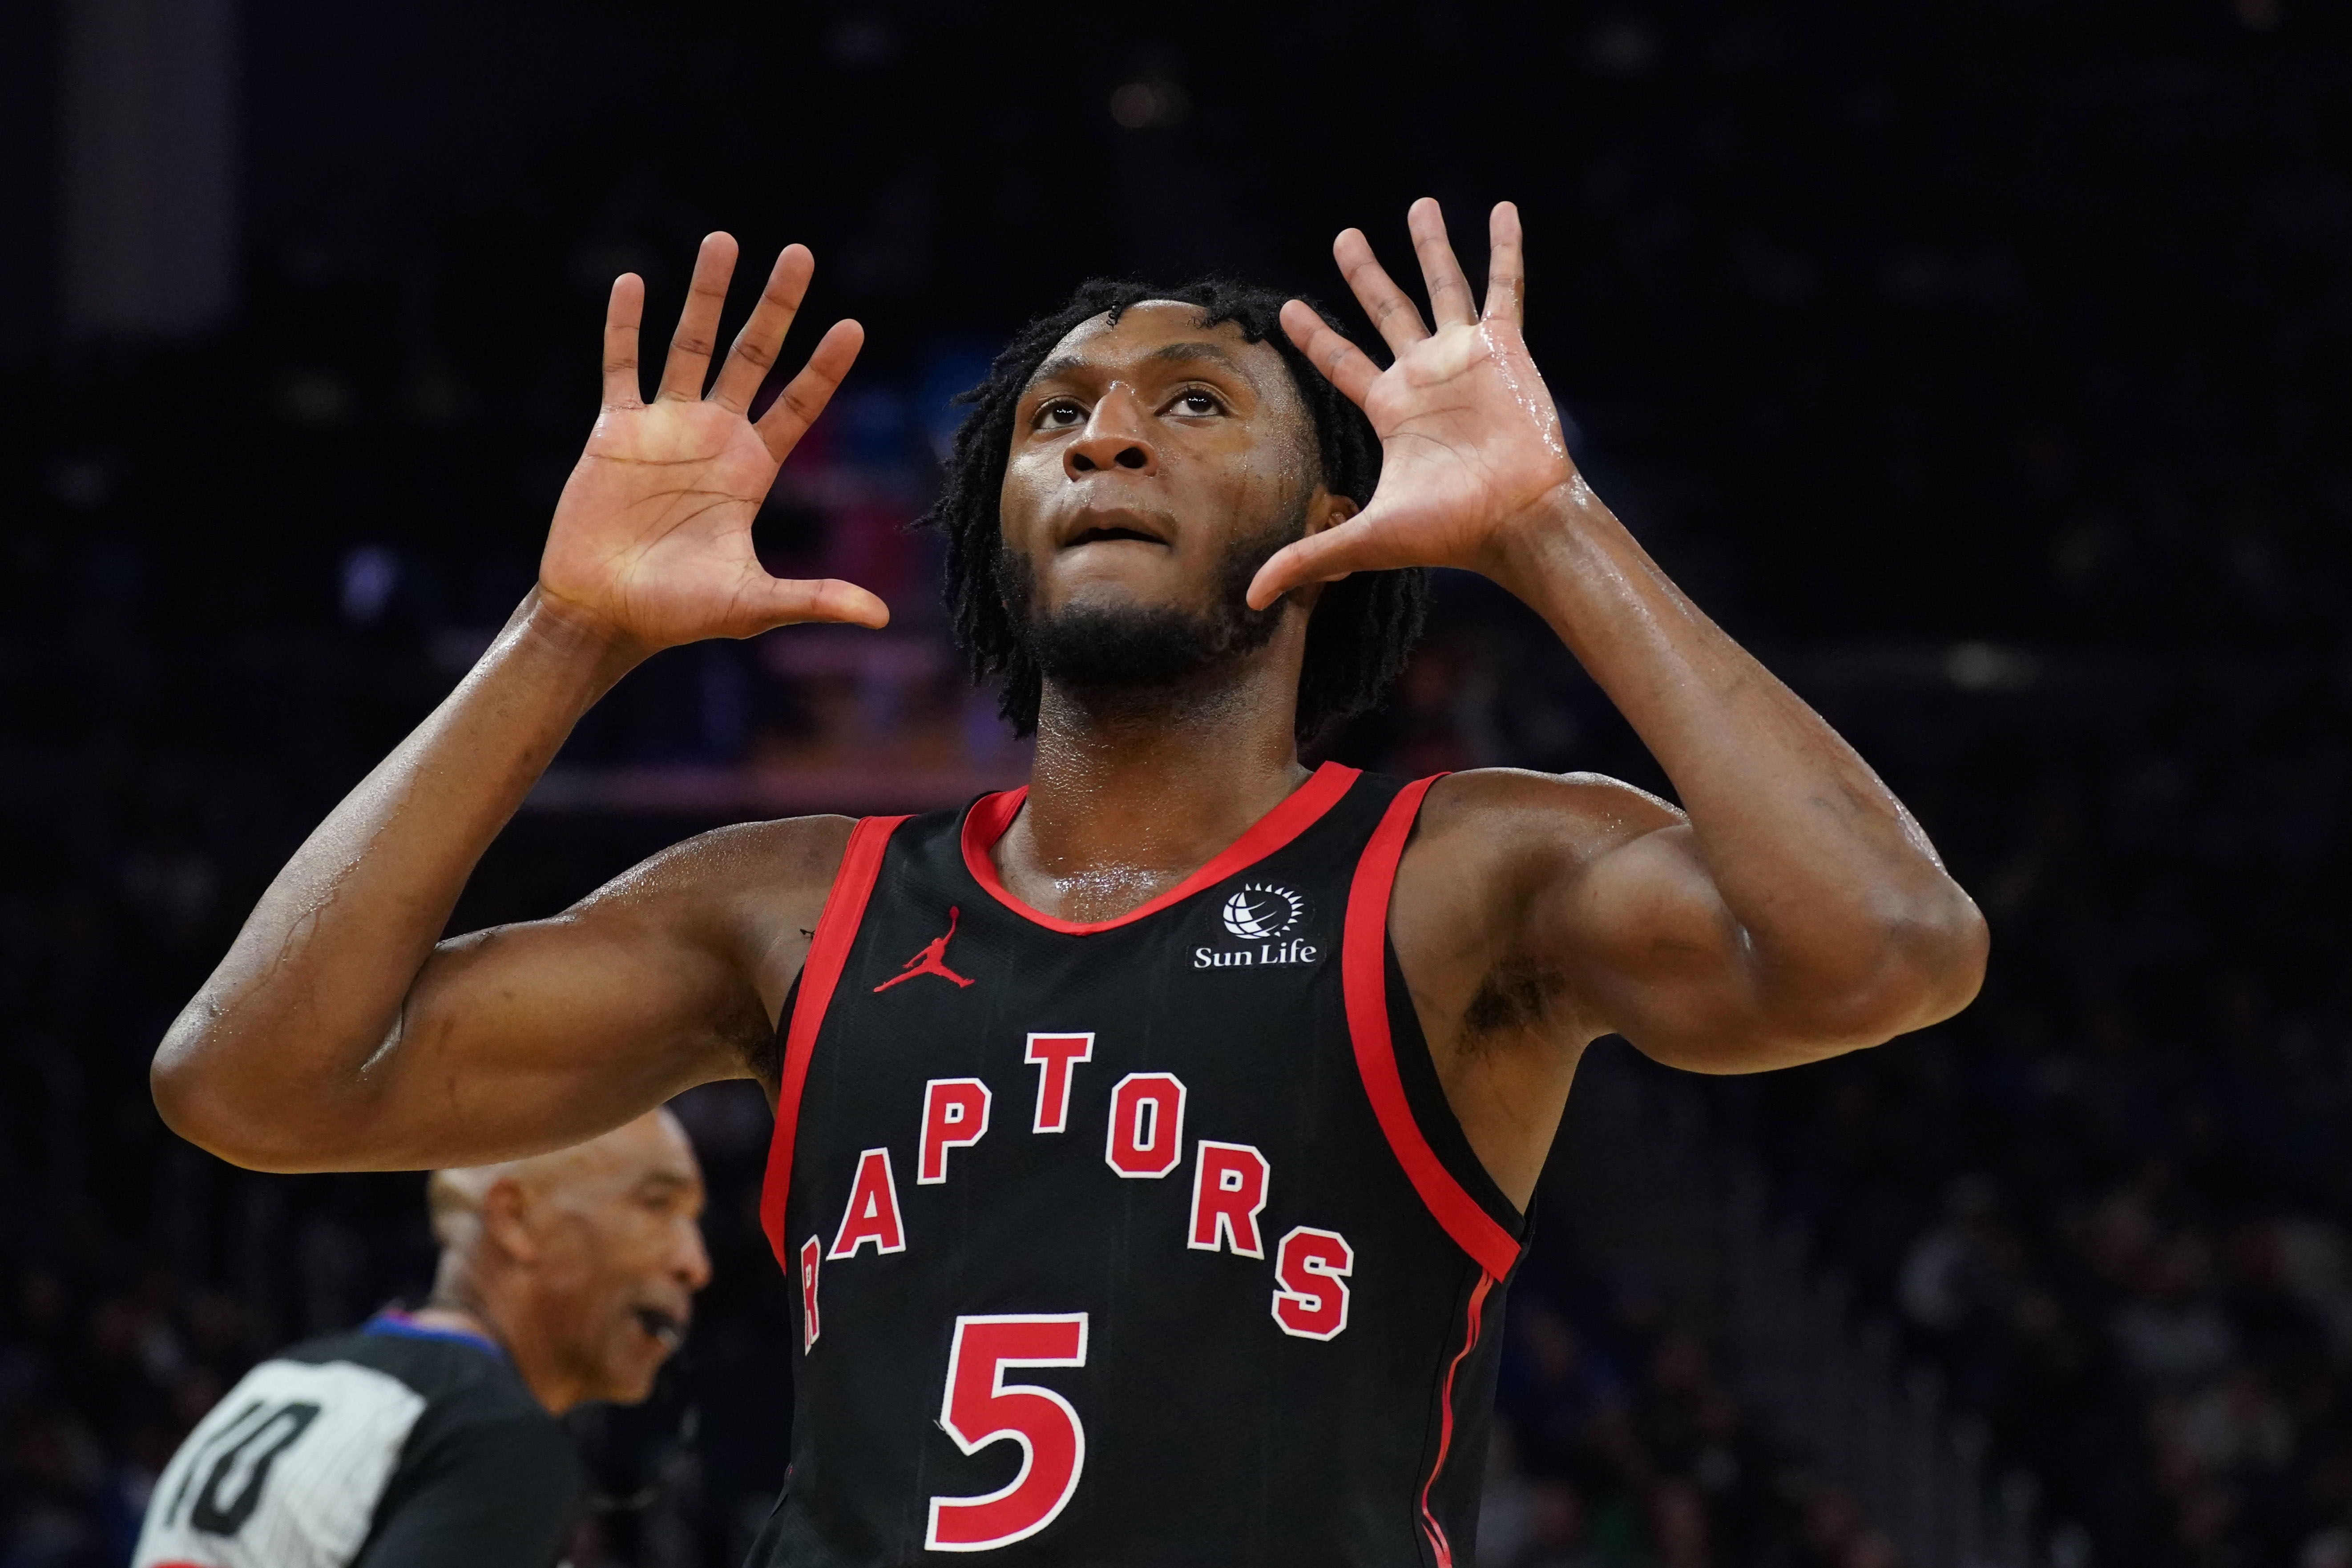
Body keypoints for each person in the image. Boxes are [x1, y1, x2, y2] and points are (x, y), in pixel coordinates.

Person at [150, 200, 1987, 1564]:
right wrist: (564, 633)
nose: (1105, 434)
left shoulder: (1458, 874)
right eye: (1054, 418)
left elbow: (1885, 947)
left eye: (1193, 404)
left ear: (1330, 518)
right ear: (997, 536)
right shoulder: (781, 906)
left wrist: (1547, 526)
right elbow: (253, 1083)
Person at [131, 1111, 710, 1568]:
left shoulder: (281, 1378)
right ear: (513, 1217)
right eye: (657, 1205)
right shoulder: (495, 1436)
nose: (695, 1264)